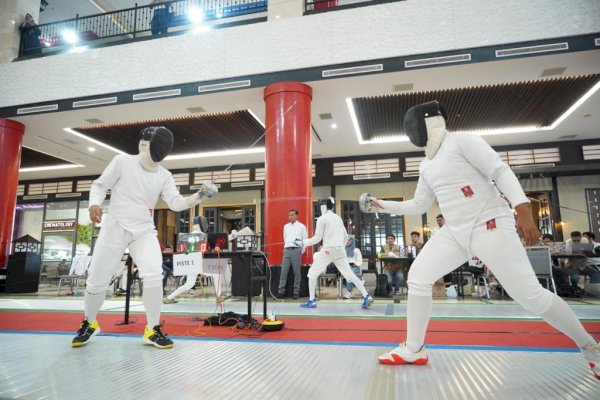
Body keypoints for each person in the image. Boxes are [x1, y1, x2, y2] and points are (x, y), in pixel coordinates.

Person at [359, 101, 599, 378]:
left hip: (490, 224)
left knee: (531, 297)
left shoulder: (462, 141)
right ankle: (414, 348)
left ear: (430, 122)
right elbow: (419, 205)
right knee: (418, 277)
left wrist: (523, 210)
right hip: (455, 231)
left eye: (413, 124)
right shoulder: (426, 164)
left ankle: (591, 347)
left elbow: (500, 171)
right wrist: (381, 205)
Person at [71, 126, 218, 349]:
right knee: (97, 279)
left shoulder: (164, 175)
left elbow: (175, 203)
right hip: (115, 226)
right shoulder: (122, 161)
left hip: (143, 230)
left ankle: (152, 329)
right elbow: (100, 185)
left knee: (153, 274)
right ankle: (89, 323)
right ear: (145, 144)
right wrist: (94, 204)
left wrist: (199, 196)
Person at [300, 197, 373, 309]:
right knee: (349, 274)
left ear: (323, 206)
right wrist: (341, 248)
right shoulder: (338, 218)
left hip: (328, 249)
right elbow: (346, 236)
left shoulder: (322, 218)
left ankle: (312, 300)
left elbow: (317, 238)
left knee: (312, 274)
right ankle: (366, 296)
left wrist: (303, 242)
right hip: (340, 250)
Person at [163, 216, 208, 304]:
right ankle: (169, 297)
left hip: (189, 263)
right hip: (195, 263)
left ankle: (169, 297)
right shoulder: (202, 237)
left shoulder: (187, 237)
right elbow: (200, 253)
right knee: (190, 284)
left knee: (189, 284)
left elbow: (182, 250)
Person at [278, 209, 308, 299]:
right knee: (284, 271)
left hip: (296, 250)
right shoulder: (286, 226)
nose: (290, 217)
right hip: (287, 250)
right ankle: (281, 291)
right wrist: (286, 247)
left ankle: (296, 292)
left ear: (297, 216)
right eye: (289, 215)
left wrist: (300, 251)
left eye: (292, 215)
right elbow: (285, 238)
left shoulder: (302, 227)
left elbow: (305, 240)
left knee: (296, 272)